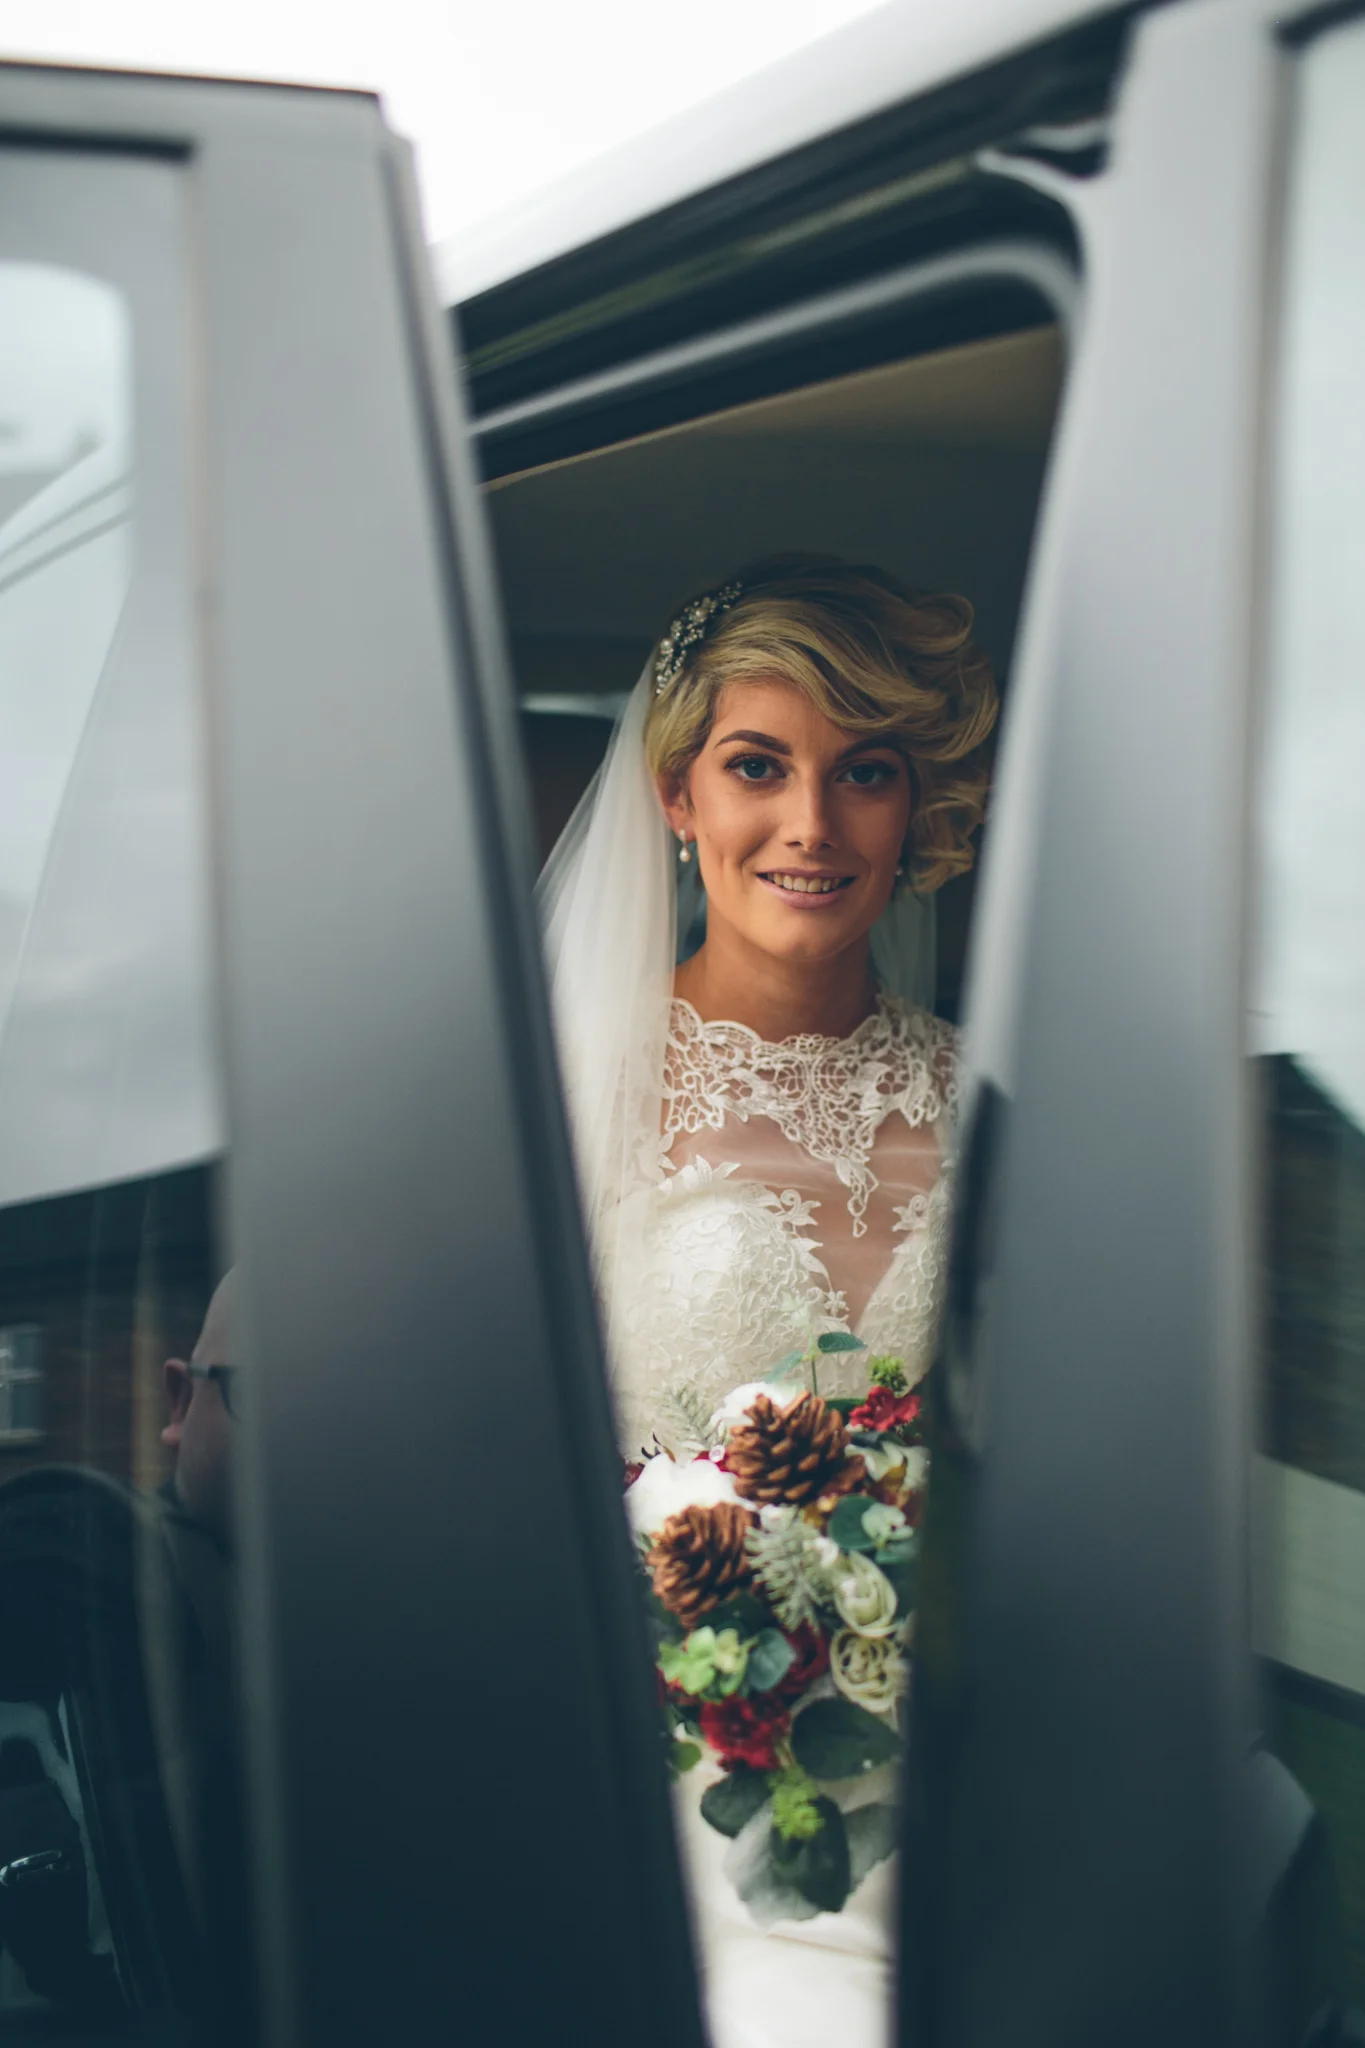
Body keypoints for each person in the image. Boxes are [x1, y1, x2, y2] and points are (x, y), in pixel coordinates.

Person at [539, 555, 997, 2048]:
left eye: (865, 772)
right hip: (665, 1767)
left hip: (983, 1753)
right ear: (678, 798)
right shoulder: (567, 1100)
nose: (811, 825)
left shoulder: (985, 1102)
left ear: (912, 811)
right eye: (758, 767)